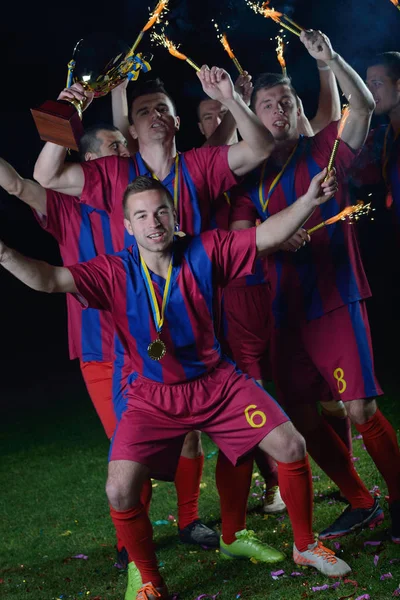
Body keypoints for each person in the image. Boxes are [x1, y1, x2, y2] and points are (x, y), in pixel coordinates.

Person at [0, 172, 352, 600]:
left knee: (291, 446)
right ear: (128, 226)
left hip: (216, 383)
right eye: (142, 215)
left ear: (174, 214)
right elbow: (49, 279)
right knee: (119, 487)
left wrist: (308, 200)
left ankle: (304, 545)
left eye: (161, 211)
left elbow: (265, 235)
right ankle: (148, 578)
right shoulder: (114, 271)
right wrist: (3, 253)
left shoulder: (204, 250)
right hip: (152, 397)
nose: (154, 222)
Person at [32, 65, 291, 564]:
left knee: (229, 435)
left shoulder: (199, 164)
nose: (154, 117)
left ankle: (229, 532)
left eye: (164, 111)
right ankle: (138, 556)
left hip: (204, 329)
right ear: (130, 129)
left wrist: (229, 99)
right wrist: (67, 113)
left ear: (176, 124)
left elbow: (259, 148)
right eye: (143, 111)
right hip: (137, 340)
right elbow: (44, 177)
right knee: (133, 456)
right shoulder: (113, 173)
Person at [230, 29, 399, 541]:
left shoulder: (323, 146)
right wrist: (278, 241)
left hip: (333, 299)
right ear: (254, 115)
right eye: (267, 103)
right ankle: (360, 500)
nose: (279, 108)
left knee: (359, 408)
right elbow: (243, 240)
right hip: (283, 311)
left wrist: (332, 59)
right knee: (301, 416)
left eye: (287, 100)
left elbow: (364, 108)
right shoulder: (246, 179)